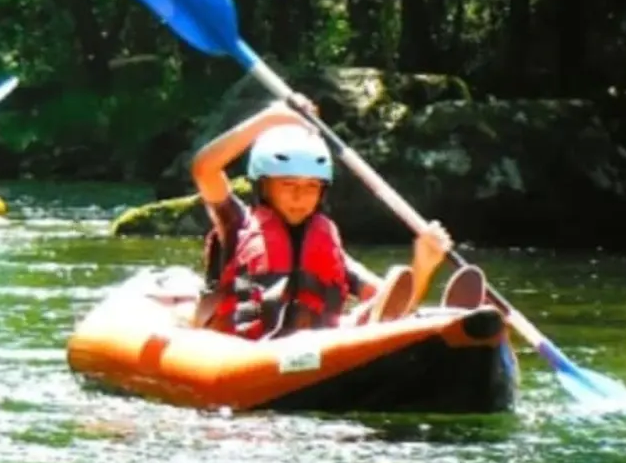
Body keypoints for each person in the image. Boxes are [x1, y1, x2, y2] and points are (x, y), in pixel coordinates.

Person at [191, 95, 461, 339]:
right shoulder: (236, 223)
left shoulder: (328, 245)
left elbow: (394, 299)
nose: (300, 197)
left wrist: (423, 266)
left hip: (316, 350)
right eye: (288, 185)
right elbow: (204, 169)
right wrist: (272, 118)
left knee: (391, 286)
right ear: (263, 186)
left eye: (311, 187)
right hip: (245, 350)